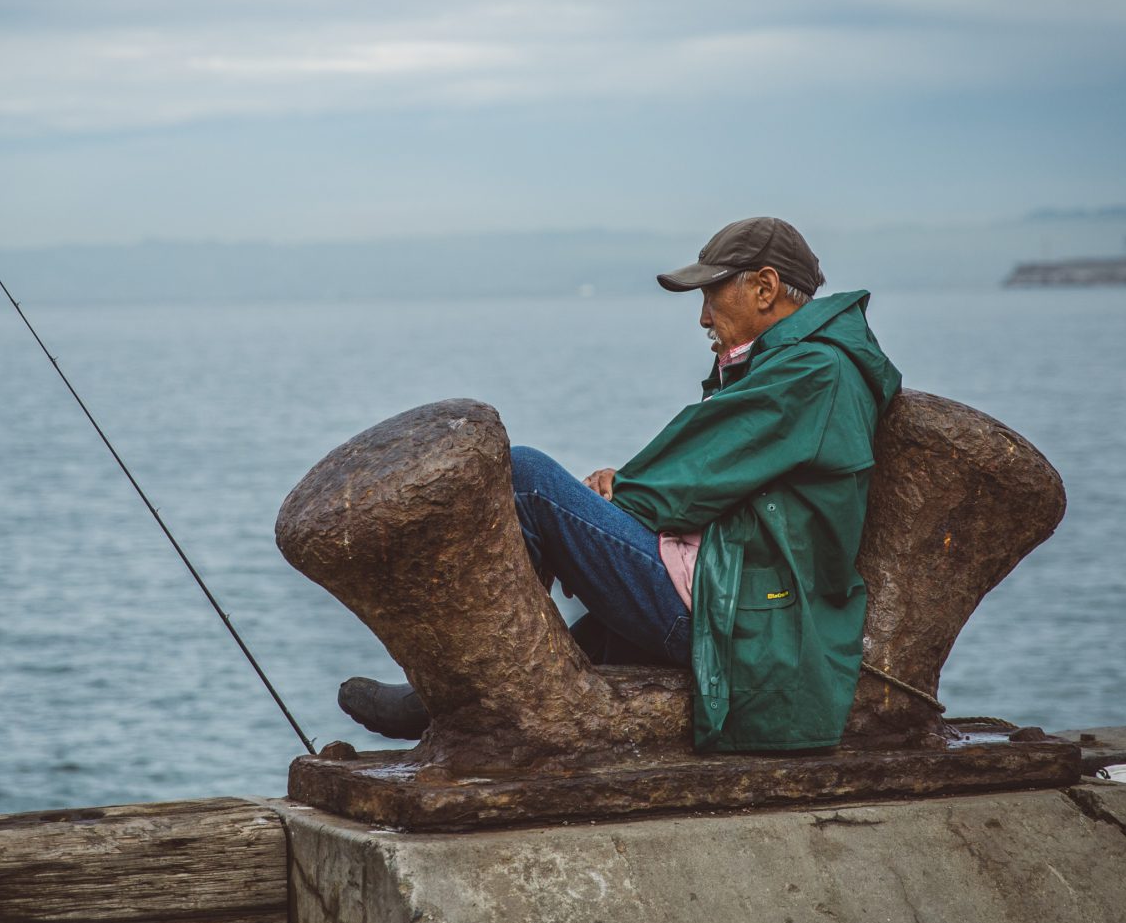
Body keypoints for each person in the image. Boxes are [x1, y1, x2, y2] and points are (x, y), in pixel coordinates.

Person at [339, 216, 902, 751]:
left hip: (743, 615)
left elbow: (681, 485)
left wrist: (614, 494)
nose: (704, 318)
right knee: (576, 617)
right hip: (740, 594)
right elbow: (712, 466)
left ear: (764, 288)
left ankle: (461, 694)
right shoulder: (802, 366)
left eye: (712, 295)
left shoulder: (810, 372)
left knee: (528, 477)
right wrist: (622, 491)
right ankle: (453, 695)